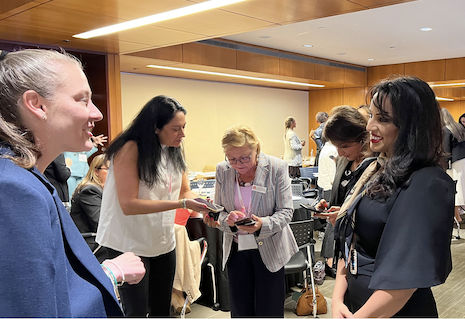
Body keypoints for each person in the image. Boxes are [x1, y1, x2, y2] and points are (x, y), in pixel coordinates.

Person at [0, 48, 145, 317]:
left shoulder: (26, 179)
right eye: (83, 100)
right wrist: (111, 274)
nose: (97, 113)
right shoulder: (13, 188)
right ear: (37, 104)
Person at [333, 76, 454, 318]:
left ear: (411, 125)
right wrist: (337, 297)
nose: (369, 127)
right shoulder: (375, 168)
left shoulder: (426, 182)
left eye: (383, 119)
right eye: (371, 116)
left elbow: (405, 277)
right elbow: (353, 237)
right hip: (358, 301)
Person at [95, 95, 208, 317]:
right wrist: (182, 203)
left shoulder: (172, 149)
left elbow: (185, 190)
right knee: (136, 310)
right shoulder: (129, 149)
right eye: (176, 129)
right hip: (129, 240)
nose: (182, 135)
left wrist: (201, 203)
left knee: (161, 309)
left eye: (184, 127)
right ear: (156, 127)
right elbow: (129, 204)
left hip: (162, 238)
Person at [203, 124, 298, 317]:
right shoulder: (223, 170)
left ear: (256, 149)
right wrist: (225, 220)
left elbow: (286, 212)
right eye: (232, 159)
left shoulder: (276, 168)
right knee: (240, 309)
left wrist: (262, 224)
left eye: (245, 157)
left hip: (269, 248)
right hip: (236, 250)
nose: (238, 164)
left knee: (269, 309)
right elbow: (219, 211)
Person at [314, 105, 376, 279]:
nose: (340, 152)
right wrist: (331, 208)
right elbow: (342, 197)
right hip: (345, 244)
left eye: (345, 146)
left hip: (366, 246)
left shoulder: (375, 165)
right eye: (336, 146)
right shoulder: (343, 160)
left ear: (363, 138)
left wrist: (346, 216)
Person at [70, 154, 109, 255]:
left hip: (101, 240)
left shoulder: (103, 190)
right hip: (92, 243)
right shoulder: (90, 190)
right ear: (96, 171)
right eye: (109, 169)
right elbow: (100, 225)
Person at [64, 133, 107, 198]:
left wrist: (94, 144)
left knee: (82, 194)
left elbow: (84, 155)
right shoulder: (65, 142)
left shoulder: (84, 142)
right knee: (70, 196)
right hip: (71, 173)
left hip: (83, 173)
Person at [441, 108, 465, 223]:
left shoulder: (446, 130)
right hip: (463, 158)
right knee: (462, 186)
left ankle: (457, 217)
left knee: (456, 189)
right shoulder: (458, 127)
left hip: (455, 161)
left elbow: (446, 150)